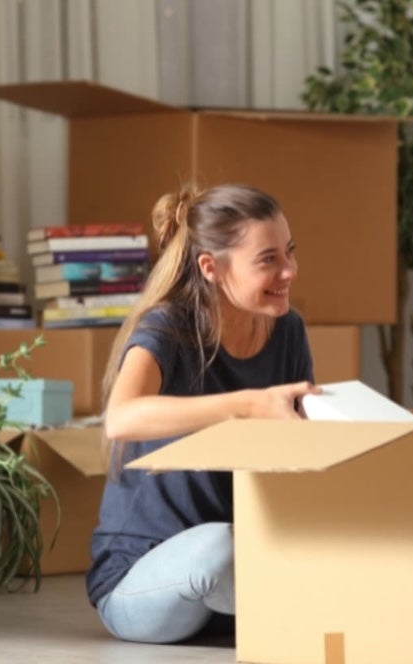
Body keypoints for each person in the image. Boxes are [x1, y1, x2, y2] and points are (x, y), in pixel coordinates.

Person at [86, 183, 319, 644]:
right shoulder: (168, 326)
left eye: (289, 253)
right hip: (146, 580)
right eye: (268, 259)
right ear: (211, 268)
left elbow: (300, 448)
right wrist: (249, 405)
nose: (289, 271)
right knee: (220, 550)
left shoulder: (288, 331)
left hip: (240, 573)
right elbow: (121, 417)